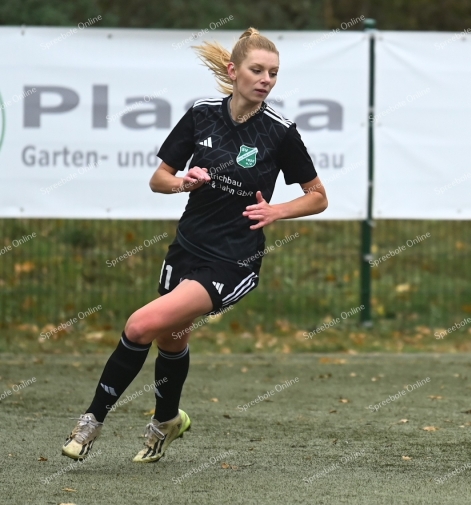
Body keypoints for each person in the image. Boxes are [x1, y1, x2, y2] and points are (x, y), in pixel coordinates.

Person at [62, 28, 327, 463]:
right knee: (170, 337)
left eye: (274, 73)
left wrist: (277, 211)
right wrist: (183, 182)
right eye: (257, 70)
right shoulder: (201, 115)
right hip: (187, 248)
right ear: (233, 71)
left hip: (233, 260)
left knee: (140, 324)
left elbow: (318, 196)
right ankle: (168, 420)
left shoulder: (280, 133)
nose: (266, 80)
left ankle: (91, 421)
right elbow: (158, 180)